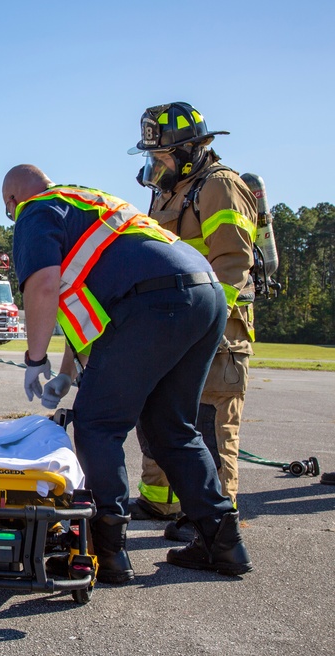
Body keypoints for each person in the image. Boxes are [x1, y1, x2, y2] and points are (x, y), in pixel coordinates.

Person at [3, 164, 251, 583]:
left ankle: (108, 549)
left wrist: (34, 359)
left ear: (12, 200)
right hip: (206, 297)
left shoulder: (35, 210)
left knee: (98, 424)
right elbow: (84, 308)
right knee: (173, 427)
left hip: (154, 302)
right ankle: (224, 542)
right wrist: (66, 370)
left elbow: (42, 287)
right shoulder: (91, 204)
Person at [127, 103, 258, 543]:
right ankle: (160, 500)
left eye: (160, 157)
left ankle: (215, 526)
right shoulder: (170, 192)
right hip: (175, 332)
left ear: (188, 151)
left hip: (215, 338)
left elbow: (233, 266)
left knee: (209, 427)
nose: (154, 166)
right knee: (161, 417)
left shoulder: (219, 187)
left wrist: (199, 327)